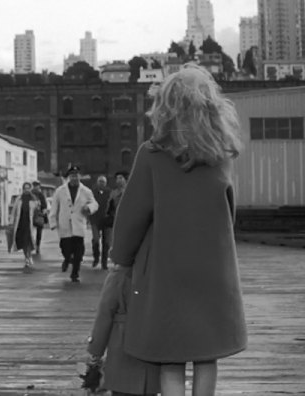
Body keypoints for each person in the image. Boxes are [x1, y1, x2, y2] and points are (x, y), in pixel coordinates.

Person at [110, 64, 246, 396]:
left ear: (165, 107)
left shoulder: (152, 154)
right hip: (213, 269)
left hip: (165, 271)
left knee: (168, 356)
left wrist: (121, 258)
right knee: (206, 353)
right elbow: (230, 212)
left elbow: (132, 215)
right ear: (211, 107)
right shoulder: (221, 156)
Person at [84, 265, 161, 395]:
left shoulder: (119, 275)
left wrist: (95, 351)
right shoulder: (158, 273)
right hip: (150, 350)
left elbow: (105, 314)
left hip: (122, 349)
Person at [49, 165, 97, 283]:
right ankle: (67, 259)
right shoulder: (60, 191)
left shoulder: (86, 191)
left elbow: (95, 204)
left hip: (79, 225)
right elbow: (54, 207)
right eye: (72, 176)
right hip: (65, 224)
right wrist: (53, 222)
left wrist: (89, 207)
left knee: (78, 251)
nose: (74, 178)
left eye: (76, 176)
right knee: (65, 248)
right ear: (69, 177)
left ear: (79, 176)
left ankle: (75, 273)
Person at [9, 182, 39, 272]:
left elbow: (37, 211)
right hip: (20, 223)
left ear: (30, 189)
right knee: (23, 242)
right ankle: (27, 257)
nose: (27, 190)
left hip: (30, 224)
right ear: (23, 189)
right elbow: (14, 211)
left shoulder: (34, 199)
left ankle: (29, 256)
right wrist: (11, 222)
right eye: (25, 188)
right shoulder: (19, 199)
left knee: (29, 241)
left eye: (28, 188)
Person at [89, 175, 111, 269]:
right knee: (96, 240)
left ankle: (104, 262)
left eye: (103, 182)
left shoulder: (109, 192)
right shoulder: (92, 193)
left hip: (107, 219)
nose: (101, 183)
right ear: (97, 182)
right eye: (100, 181)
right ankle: (96, 257)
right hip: (95, 219)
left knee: (106, 242)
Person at [102, 170, 129, 247]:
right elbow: (109, 208)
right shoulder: (113, 193)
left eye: (120, 178)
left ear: (125, 179)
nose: (118, 180)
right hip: (115, 220)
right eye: (117, 178)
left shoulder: (130, 191)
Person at [30, 181, 48, 255]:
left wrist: (44, 213)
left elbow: (44, 205)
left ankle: (37, 246)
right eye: (34, 185)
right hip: (31, 214)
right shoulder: (30, 194)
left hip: (38, 215)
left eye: (37, 186)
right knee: (30, 231)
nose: (36, 187)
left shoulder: (40, 194)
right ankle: (32, 244)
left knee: (39, 231)